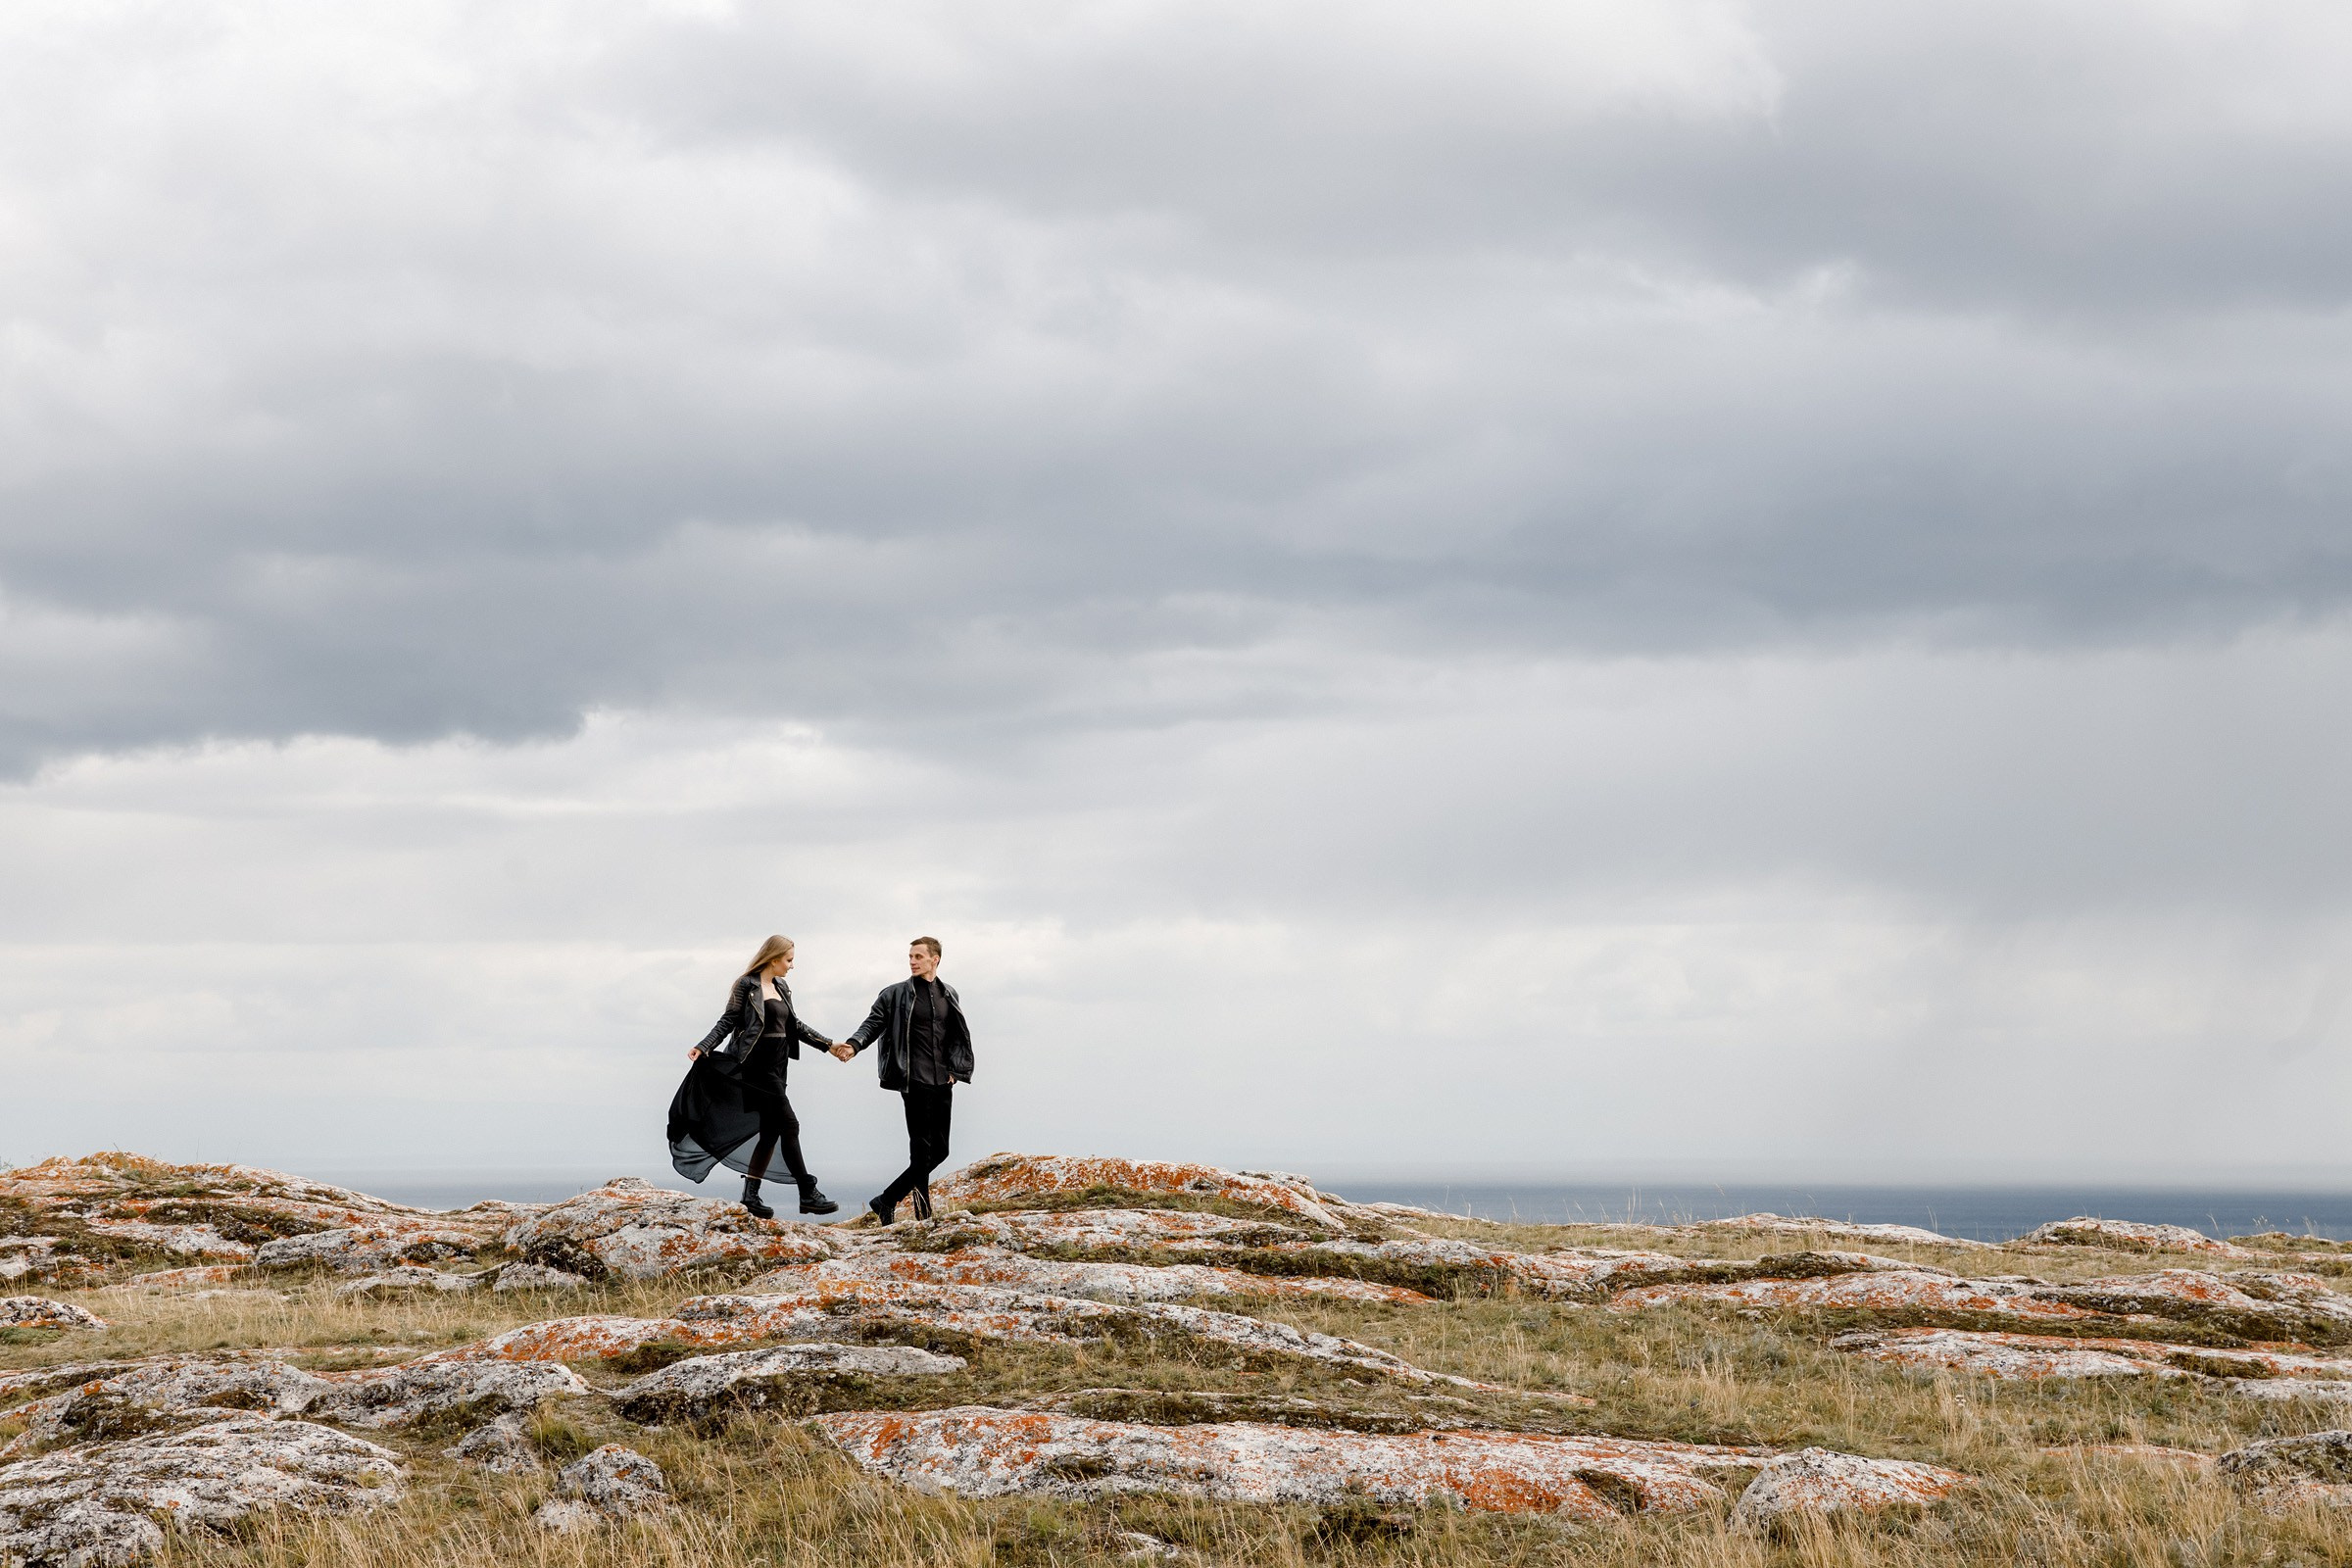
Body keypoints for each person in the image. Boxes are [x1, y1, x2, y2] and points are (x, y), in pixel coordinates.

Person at [666, 935, 843, 1216]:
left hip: (777, 1067)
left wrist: (829, 1045)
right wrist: (704, 1045)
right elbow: (728, 1020)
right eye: (789, 960)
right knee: (790, 1125)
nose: (792, 966)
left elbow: (794, 1025)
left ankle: (751, 1196)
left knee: (771, 1132)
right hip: (754, 1067)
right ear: (773, 959)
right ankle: (808, 1191)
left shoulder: (782, 987)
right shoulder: (746, 985)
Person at [833, 935, 972, 1224]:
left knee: (941, 1150)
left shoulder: (949, 994)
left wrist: (955, 1070)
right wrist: (854, 1044)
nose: (912, 961)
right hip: (913, 1080)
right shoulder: (894, 994)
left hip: (942, 1080)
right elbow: (873, 1023)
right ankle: (923, 1215)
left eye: (918, 957)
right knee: (920, 1150)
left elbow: (956, 1035)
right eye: (910, 956)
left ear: (935, 959)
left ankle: (886, 1199)